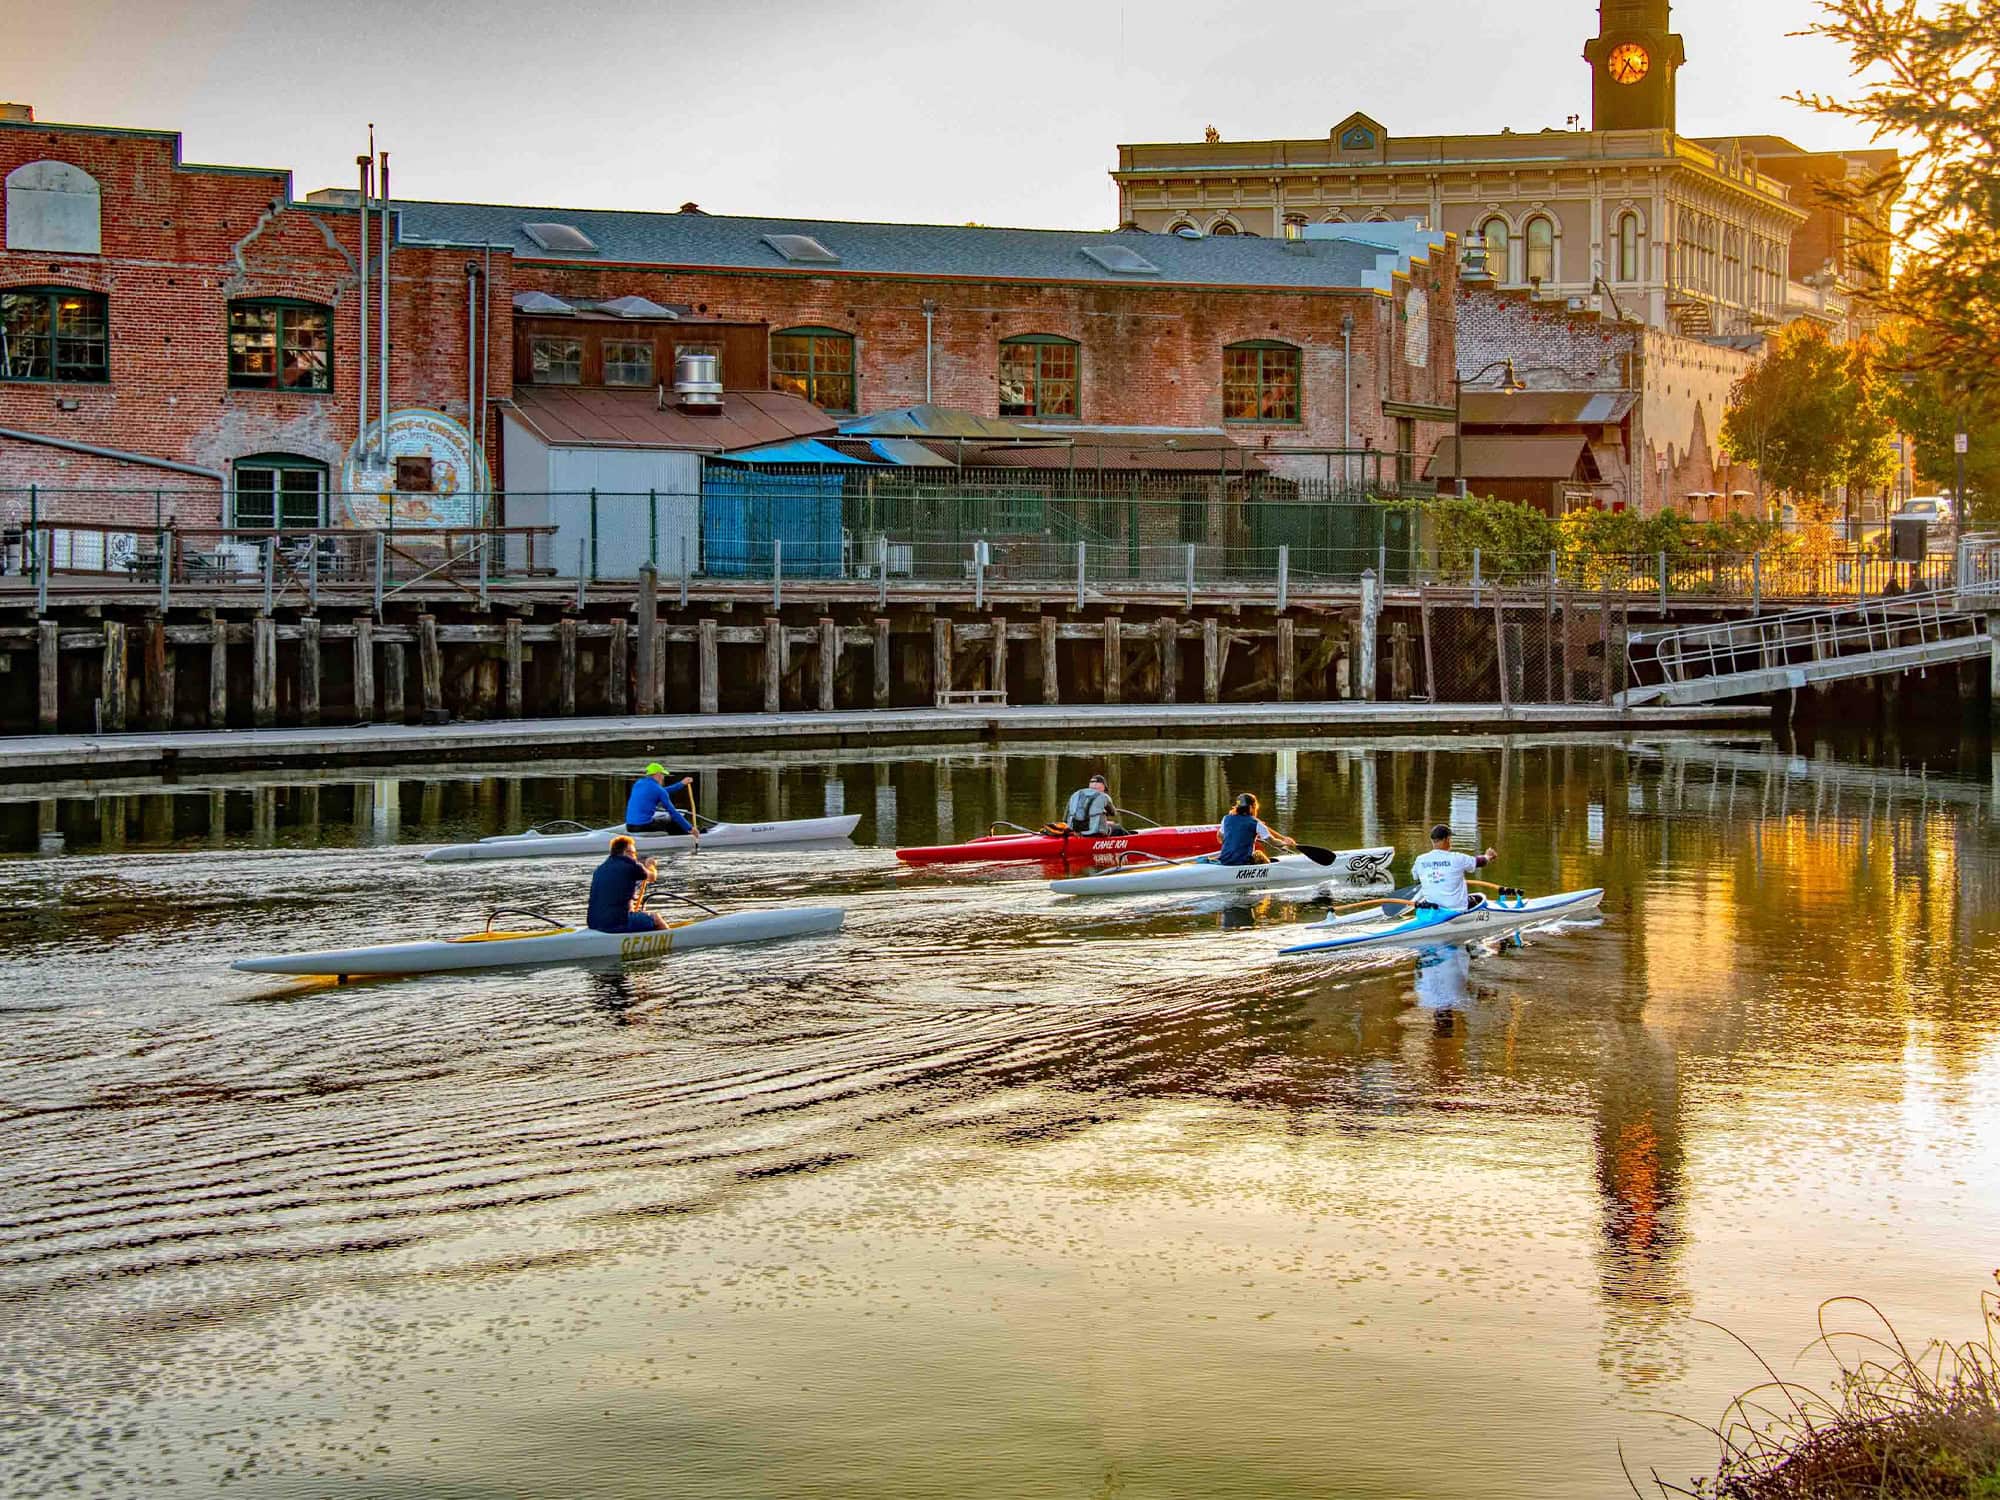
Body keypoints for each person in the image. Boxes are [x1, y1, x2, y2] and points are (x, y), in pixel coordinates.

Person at [1409, 824, 1499, 912]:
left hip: (1432, 909)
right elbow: (1480, 862)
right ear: (1447, 839)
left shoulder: (1420, 860)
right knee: (1477, 899)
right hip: (1456, 909)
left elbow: (1416, 878)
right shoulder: (1457, 858)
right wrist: (1488, 856)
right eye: (1450, 839)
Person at [587, 835, 667, 934]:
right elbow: (652, 877)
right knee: (656, 918)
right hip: (617, 923)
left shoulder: (600, 869)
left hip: (594, 923)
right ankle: (675, 938)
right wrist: (650, 865)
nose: (635, 857)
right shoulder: (630, 865)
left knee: (635, 913)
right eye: (634, 853)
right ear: (626, 852)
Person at [1215, 792, 1298, 867]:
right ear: (1251, 807)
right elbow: (1272, 842)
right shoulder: (1255, 823)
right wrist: (1286, 843)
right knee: (1258, 855)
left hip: (1224, 861)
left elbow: (1220, 837)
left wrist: (1236, 839)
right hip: (1242, 863)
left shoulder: (1226, 819)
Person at [624, 763, 698, 841]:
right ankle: (688, 837)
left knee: (662, 818)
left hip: (629, 826)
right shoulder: (659, 790)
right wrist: (690, 828)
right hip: (643, 826)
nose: (663, 777)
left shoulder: (638, 783)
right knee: (673, 822)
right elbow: (673, 813)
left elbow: (662, 791)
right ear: (658, 774)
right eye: (663, 774)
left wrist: (681, 784)